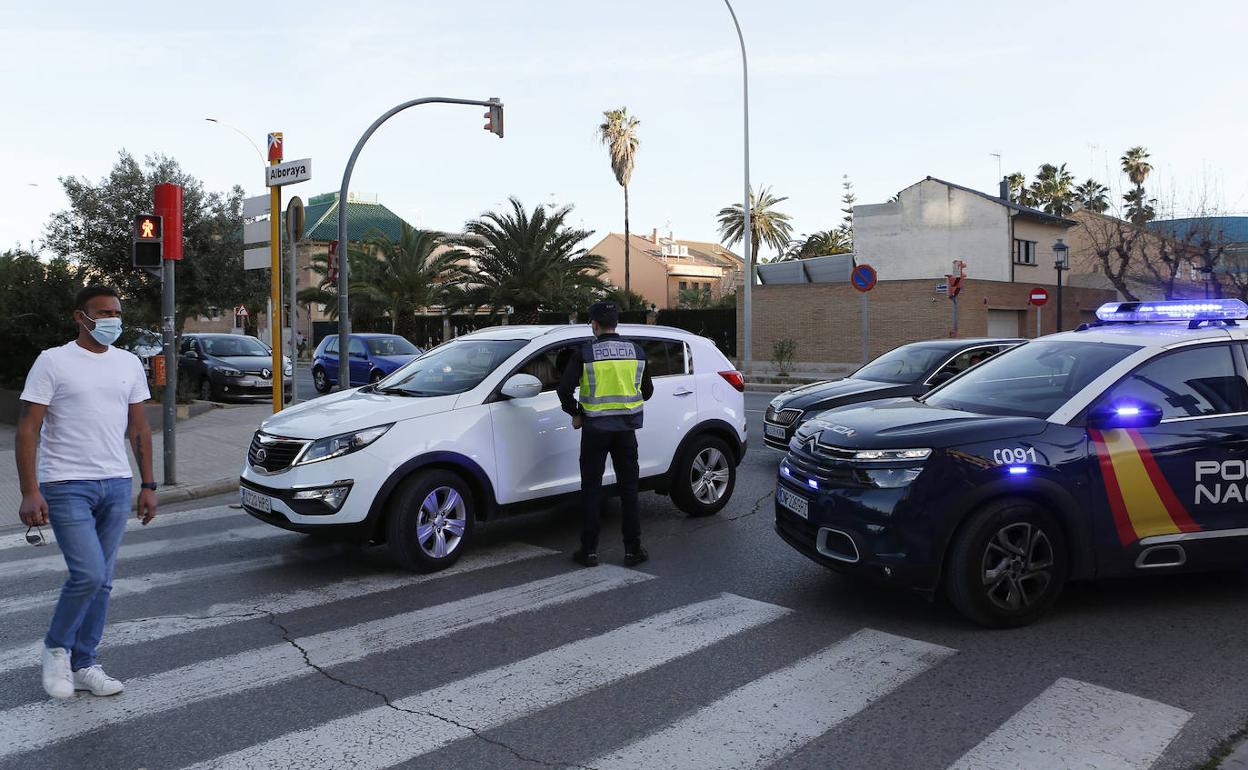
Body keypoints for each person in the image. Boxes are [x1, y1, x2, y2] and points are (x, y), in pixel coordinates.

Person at [16, 285, 158, 700]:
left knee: (104, 581)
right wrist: (29, 491)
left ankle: (85, 663)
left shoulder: (129, 363)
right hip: (65, 484)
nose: (112, 319)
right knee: (88, 574)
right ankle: (55, 648)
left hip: (116, 482)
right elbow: (27, 429)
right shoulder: (53, 361)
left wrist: (148, 484)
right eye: (103, 313)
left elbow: (140, 427)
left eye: (117, 311)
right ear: (80, 317)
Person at [557, 301, 654, 568]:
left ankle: (588, 551)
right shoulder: (636, 351)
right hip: (626, 431)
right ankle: (633, 550)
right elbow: (647, 392)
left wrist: (575, 412)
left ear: (595, 324)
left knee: (591, 489)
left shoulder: (585, 353)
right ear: (616, 323)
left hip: (594, 430)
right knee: (629, 490)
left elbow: (563, 389)